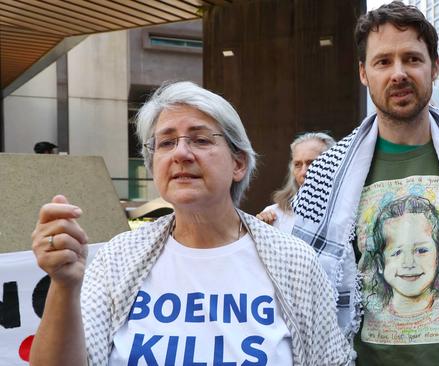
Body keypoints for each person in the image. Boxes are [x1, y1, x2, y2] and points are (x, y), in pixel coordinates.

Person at [29, 81, 350, 366]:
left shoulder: (295, 262)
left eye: (200, 140)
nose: (181, 153)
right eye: (166, 143)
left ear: (238, 163)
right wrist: (64, 285)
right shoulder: (116, 261)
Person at [291, 2, 439, 365]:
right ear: (363, 72)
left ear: (435, 66)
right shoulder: (328, 173)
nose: (399, 73)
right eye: (383, 61)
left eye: (412, 59)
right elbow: (307, 298)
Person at [256, 132, 335, 233]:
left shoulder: (351, 211)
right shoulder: (275, 216)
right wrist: (260, 230)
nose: (303, 172)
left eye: (312, 163)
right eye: (297, 164)